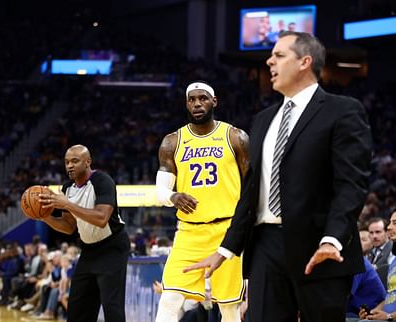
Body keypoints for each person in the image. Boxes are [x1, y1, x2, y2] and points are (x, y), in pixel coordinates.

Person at [185, 31, 373, 322]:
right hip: (264, 247)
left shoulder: (343, 111)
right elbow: (251, 192)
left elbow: (351, 185)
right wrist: (225, 250)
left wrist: (332, 239)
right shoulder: (262, 120)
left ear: (304, 62)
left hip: (319, 247)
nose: (270, 61)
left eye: (279, 55)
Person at [154, 81, 250, 322]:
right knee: (169, 299)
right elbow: (160, 191)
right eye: (192, 99)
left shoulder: (235, 137)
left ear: (214, 101)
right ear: (187, 104)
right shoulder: (172, 142)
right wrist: (173, 196)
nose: (197, 103)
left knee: (229, 307)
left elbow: (252, 186)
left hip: (227, 230)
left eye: (203, 98)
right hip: (189, 233)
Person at [38, 144, 130, 322]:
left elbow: (101, 218)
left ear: (88, 162)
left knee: (112, 306)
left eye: (75, 161)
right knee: (78, 308)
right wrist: (44, 217)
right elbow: (68, 226)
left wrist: (67, 205)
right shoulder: (67, 189)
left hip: (112, 248)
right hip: (88, 251)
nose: (69, 166)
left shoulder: (103, 181)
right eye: (66, 162)